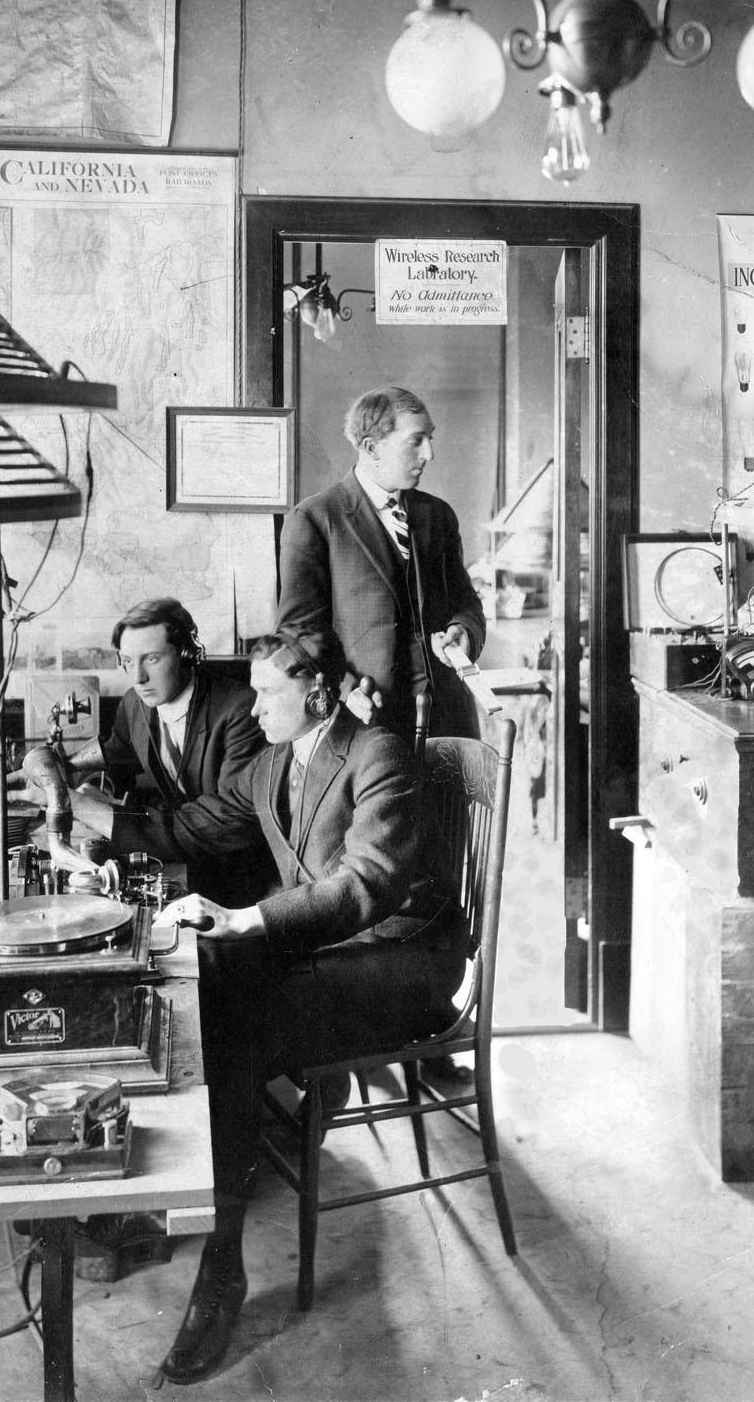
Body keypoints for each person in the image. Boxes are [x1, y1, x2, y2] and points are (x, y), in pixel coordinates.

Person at [69, 628, 465, 1383]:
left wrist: (249, 918)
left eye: (266, 693)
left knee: (231, 1021)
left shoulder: (376, 752)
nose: (251, 707)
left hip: (404, 960)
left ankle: (220, 1267)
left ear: (316, 694)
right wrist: (102, 839)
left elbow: (365, 885)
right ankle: (170, 1195)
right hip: (337, 951)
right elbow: (199, 827)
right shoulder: (277, 760)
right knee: (192, 976)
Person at [278, 384, 487, 744]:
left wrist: (462, 632)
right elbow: (298, 633)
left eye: (430, 439)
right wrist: (344, 689)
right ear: (371, 447)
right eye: (416, 440)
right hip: (367, 725)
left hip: (450, 724)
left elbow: (466, 604)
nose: (430, 453)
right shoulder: (315, 518)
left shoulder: (437, 516)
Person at [93, 597, 272, 906]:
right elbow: (116, 759)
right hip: (184, 865)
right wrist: (82, 781)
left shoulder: (239, 710)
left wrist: (98, 813)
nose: (137, 677)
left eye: (151, 659)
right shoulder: (134, 704)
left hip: (244, 881)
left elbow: (229, 820)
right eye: (127, 661)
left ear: (185, 654)